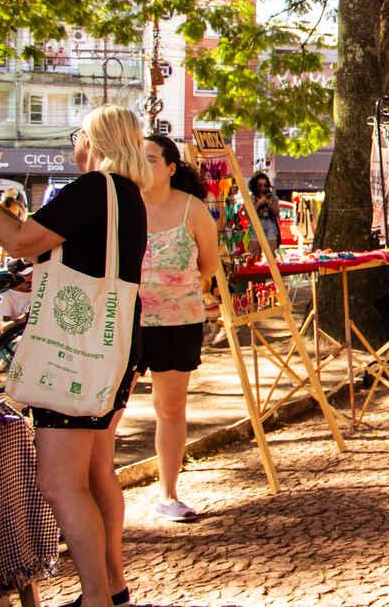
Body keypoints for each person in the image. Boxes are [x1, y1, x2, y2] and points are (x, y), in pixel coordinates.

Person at [0, 105, 151, 607]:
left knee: (61, 484)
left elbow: (19, 239)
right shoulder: (129, 196)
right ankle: (108, 590)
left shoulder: (91, 189)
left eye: (77, 134)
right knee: (89, 473)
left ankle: (96, 598)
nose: (73, 143)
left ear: (96, 139)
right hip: (114, 347)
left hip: (76, 353)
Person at [133, 134, 220, 522]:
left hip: (178, 322)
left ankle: (168, 494)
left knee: (170, 409)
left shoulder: (193, 209)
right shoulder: (124, 207)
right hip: (126, 323)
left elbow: (209, 264)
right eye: (138, 158)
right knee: (108, 411)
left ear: (170, 167)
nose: (143, 165)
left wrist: (174, 289)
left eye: (151, 158)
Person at [247, 172, 282, 250]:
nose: (263, 187)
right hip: (256, 224)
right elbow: (249, 216)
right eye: (260, 185)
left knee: (271, 253)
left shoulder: (272, 197)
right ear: (255, 186)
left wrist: (270, 203)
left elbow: (277, 213)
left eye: (265, 185)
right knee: (254, 254)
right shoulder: (252, 198)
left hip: (270, 224)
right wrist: (258, 203)